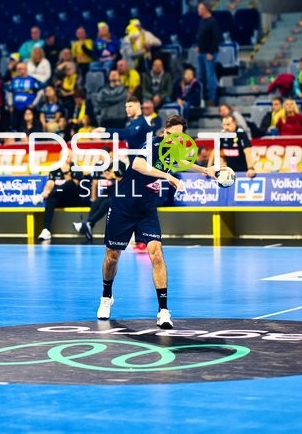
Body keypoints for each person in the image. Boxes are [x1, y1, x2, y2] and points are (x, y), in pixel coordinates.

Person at [97, 114, 217, 329]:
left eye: (177, 136)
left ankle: (163, 311)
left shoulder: (176, 150)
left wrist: (205, 170)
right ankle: (106, 296)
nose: (172, 139)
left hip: (146, 208)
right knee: (112, 257)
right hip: (124, 204)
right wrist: (167, 176)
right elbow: (138, 164)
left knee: (157, 254)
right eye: (169, 134)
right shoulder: (152, 144)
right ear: (165, 132)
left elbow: (181, 163)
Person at [74, 151, 126, 242]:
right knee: (95, 203)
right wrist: (93, 197)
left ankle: (87, 224)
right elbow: (95, 183)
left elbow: (124, 181)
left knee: (105, 204)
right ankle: (88, 227)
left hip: (119, 194)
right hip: (107, 193)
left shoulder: (120, 165)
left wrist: (113, 176)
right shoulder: (101, 166)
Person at [36, 156, 88, 241]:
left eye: (68, 155)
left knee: (70, 183)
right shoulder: (55, 169)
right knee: (51, 200)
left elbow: (75, 183)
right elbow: (50, 183)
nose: (66, 157)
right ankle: (46, 230)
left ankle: (42, 196)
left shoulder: (76, 168)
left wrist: (66, 172)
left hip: (73, 199)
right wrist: (46, 191)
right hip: (59, 198)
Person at [195, 2, 221, 106]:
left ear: (205, 9)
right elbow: (200, 35)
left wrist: (211, 52)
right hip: (201, 52)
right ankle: (200, 97)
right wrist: (198, 45)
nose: (198, 10)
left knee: (210, 76)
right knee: (200, 76)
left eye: (200, 8)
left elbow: (216, 38)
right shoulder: (202, 21)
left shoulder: (213, 22)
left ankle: (212, 98)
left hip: (209, 53)